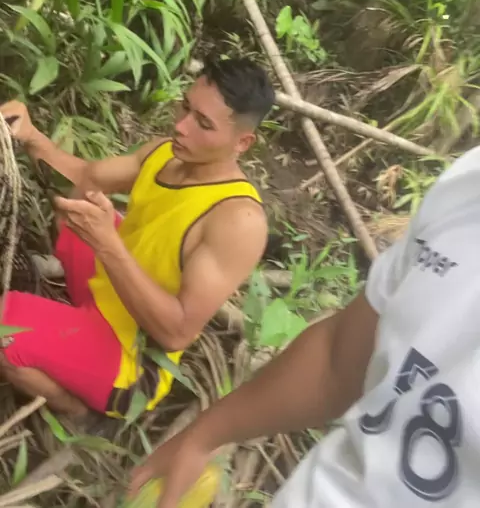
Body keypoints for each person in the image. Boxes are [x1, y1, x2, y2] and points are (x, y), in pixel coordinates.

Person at [130, 146, 480, 507]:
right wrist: (202, 436)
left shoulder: (238, 217)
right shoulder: (468, 184)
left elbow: (178, 327)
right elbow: (337, 361)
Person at [0, 55, 273, 419]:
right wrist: (30, 135)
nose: (181, 126)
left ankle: (76, 412)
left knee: (3, 326)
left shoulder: (238, 220)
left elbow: (176, 333)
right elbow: (86, 178)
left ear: (243, 142)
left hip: (132, 361)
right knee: (78, 208)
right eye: (185, 107)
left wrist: (108, 246)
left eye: (203, 123)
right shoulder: (165, 154)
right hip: (110, 293)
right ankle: (73, 326)